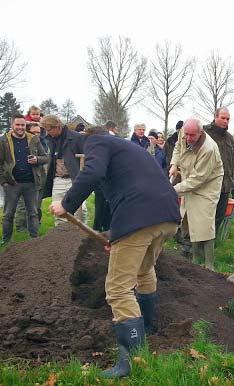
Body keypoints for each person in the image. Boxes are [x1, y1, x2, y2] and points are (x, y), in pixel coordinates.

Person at [49, 125, 180, 379]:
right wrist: (117, 235)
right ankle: (147, 328)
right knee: (144, 271)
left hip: (139, 216)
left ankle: (131, 359)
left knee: (119, 288)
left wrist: (66, 204)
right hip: (167, 215)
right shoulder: (131, 148)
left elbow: (92, 172)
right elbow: (126, 190)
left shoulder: (97, 142)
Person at [169, 119, 223, 270]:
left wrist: (172, 190)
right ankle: (195, 259)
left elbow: (198, 179)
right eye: (186, 134)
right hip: (189, 177)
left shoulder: (208, 149)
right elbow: (178, 148)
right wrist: (174, 164)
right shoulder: (184, 133)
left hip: (207, 184)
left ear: (201, 133)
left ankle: (209, 264)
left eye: (192, 135)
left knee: (204, 223)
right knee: (190, 219)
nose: (188, 138)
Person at [0, 115, 48, 245]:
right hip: (11, 184)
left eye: (22, 125)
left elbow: (46, 157)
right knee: (8, 214)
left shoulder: (34, 139)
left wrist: (37, 159)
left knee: (33, 213)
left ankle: (34, 239)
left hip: (31, 183)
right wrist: (3, 181)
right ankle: (6, 240)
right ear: (12, 126)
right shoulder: (3, 140)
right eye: (18, 125)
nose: (20, 128)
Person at [39, 115, 85, 226]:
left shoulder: (76, 137)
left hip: (74, 179)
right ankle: (60, 238)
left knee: (80, 211)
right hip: (58, 179)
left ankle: (81, 236)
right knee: (58, 210)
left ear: (57, 126)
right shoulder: (49, 140)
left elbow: (85, 157)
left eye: (48, 129)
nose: (47, 132)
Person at [204, 107, 234, 235]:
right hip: (207, 183)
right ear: (215, 117)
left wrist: (231, 180)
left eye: (227, 119)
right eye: (222, 118)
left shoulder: (229, 137)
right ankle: (193, 245)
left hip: (225, 185)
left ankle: (210, 244)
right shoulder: (204, 133)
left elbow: (232, 161)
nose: (225, 121)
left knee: (219, 216)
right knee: (204, 217)